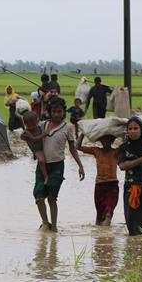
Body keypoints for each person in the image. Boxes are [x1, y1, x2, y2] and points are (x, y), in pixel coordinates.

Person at [27, 98, 85, 233]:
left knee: (52, 197)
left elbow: (72, 148)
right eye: (54, 111)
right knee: (39, 195)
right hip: (42, 166)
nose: (57, 114)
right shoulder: (42, 125)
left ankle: (54, 226)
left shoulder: (68, 127)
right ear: (49, 112)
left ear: (64, 112)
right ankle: (45, 222)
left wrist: (80, 165)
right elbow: (33, 140)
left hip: (57, 166)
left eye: (59, 111)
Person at [78, 135, 120, 226]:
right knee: (99, 213)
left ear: (112, 141)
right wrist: (82, 134)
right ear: (100, 141)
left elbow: (125, 146)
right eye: (103, 140)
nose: (105, 142)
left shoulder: (116, 152)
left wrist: (125, 135)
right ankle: (99, 232)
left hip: (112, 183)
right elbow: (78, 147)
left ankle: (106, 222)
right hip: (99, 184)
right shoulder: (96, 151)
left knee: (109, 209)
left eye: (108, 140)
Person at [20, 110, 50, 184]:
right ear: (25, 124)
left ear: (37, 121)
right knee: (41, 161)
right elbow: (34, 139)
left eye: (34, 125)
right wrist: (44, 134)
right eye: (29, 126)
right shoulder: (27, 131)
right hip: (36, 148)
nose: (32, 127)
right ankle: (46, 176)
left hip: (41, 145)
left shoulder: (39, 127)